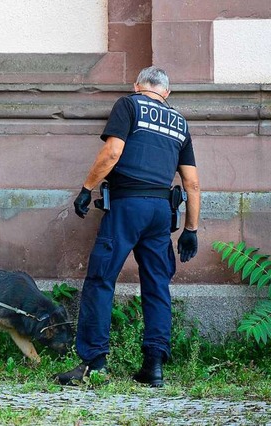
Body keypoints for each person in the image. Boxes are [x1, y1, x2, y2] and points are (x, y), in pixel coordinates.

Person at [56, 66, 200, 387]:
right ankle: (153, 367)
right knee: (157, 286)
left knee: (101, 279)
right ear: (167, 92)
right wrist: (191, 229)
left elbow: (113, 152)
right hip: (162, 211)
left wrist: (86, 189)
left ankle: (94, 364)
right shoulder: (179, 122)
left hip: (127, 206)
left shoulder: (129, 105)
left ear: (137, 85)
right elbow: (191, 183)